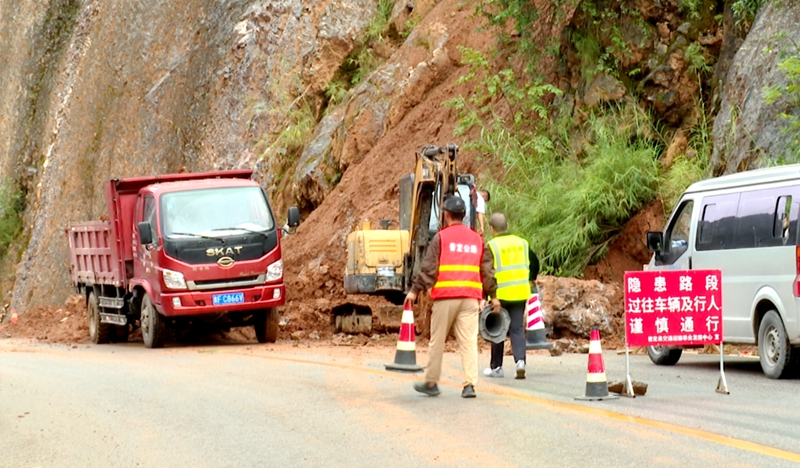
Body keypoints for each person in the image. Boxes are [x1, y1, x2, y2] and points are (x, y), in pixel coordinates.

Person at [405, 195, 500, 399]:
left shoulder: (441, 238)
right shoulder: (477, 239)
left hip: (446, 297)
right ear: (465, 214)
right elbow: (487, 271)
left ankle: (431, 382)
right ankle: (469, 385)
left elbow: (429, 269)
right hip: (470, 299)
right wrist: (493, 296)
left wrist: (414, 290)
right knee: (468, 342)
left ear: (446, 215)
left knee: (437, 341)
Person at [483, 212, 540, 380]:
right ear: (507, 226)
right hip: (520, 292)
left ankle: (497, 367)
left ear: (491, 229)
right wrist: (530, 279)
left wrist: (488, 294)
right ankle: (520, 362)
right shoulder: (522, 243)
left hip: (499, 295)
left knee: (498, 330)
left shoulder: (491, 246)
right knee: (516, 329)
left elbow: (487, 273)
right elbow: (535, 263)